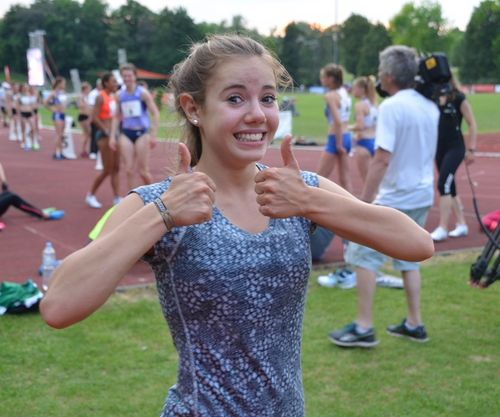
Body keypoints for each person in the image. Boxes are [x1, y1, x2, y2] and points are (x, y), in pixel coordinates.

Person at [40, 35, 433, 416]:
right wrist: (162, 213)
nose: (257, 114)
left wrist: (310, 201)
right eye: (234, 98)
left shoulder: (297, 191)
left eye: (267, 98)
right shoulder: (158, 202)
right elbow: (58, 306)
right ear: (193, 108)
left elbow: (416, 244)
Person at [330, 45, 440, 348]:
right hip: (421, 192)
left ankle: (364, 327)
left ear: (389, 75)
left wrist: (362, 204)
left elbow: (381, 158)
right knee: (409, 261)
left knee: (363, 256)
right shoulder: (429, 106)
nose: (378, 75)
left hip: (396, 195)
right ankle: (415, 323)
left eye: (380, 70)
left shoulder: (392, 106)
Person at [430, 76, 477, 241]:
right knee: (451, 186)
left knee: (443, 183)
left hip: (455, 147)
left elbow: (471, 123)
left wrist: (471, 149)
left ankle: (443, 227)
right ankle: (462, 224)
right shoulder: (433, 98)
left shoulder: (458, 98)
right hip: (438, 148)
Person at [112, 63, 160, 190]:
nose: (127, 78)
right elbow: (116, 116)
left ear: (135, 76)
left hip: (142, 133)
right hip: (126, 133)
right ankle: (131, 199)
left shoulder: (142, 93)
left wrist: (153, 134)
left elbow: (155, 113)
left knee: (143, 171)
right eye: (124, 76)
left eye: (129, 75)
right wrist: (112, 136)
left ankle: (153, 196)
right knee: (128, 170)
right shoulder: (119, 95)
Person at [85, 72, 120, 209]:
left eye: (116, 81)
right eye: (113, 81)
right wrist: (106, 130)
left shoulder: (115, 97)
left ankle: (117, 197)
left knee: (116, 168)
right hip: (104, 136)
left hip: (115, 134)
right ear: (106, 83)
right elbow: (94, 117)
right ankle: (90, 195)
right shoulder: (101, 97)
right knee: (107, 169)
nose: (116, 84)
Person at [316, 63, 352, 192]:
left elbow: (337, 121)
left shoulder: (330, 96)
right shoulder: (344, 92)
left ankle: (309, 211)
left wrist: (338, 144)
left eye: (323, 77)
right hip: (347, 136)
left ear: (331, 79)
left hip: (336, 138)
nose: (322, 80)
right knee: (345, 179)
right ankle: (354, 210)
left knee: (318, 179)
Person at [349, 76, 378, 182]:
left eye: (354, 88)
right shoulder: (374, 104)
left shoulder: (360, 105)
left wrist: (347, 127)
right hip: (375, 141)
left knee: (367, 182)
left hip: (364, 144)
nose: (352, 90)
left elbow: (360, 126)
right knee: (375, 182)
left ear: (361, 89)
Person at [44, 76, 68, 160]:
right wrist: (52, 109)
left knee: (62, 134)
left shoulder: (63, 92)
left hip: (63, 114)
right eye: (63, 83)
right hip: (57, 114)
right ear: (59, 83)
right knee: (58, 134)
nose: (65, 84)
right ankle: (57, 153)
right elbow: (45, 103)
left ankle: (61, 152)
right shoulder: (54, 93)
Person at [77, 82, 93, 158]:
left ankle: (85, 150)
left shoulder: (86, 97)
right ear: (85, 89)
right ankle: (83, 150)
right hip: (83, 116)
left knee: (88, 134)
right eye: (89, 89)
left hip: (87, 116)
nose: (90, 90)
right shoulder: (81, 97)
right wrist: (87, 106)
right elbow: (80, 106)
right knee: (87, 134)